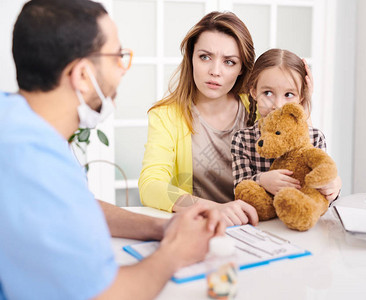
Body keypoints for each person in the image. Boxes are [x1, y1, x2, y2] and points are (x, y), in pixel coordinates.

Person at [0, 1, 225, 299]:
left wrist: (163, 227)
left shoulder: (19, 122)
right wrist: (175, 252)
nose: (122, 70)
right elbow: (107, 295)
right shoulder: (32, 163)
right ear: (81, 75)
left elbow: (77, 207)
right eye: (118, 56)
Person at [138, 11, 259, 226]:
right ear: (191, 58)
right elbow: (151, 185)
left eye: (229, 62)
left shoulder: (257, 109)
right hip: (199, 227)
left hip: (259, 226)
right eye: (205, 57)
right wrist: (216, 209)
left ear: (242, 68)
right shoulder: (166, 115)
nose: (215, 71)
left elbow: (298, 158)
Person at [232, 49, 342, 203]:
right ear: (254, 92)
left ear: (301, 97)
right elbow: (239, 188)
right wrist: (262, 180)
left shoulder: (315, 137)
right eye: (268, 93)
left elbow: (321, 190)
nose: (278, 105)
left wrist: (333, 188)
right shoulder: (242, 139)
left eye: (289, 95)